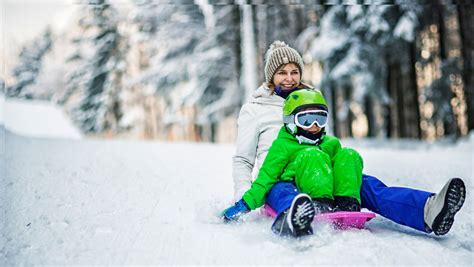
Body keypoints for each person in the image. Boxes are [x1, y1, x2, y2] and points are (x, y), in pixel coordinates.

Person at [223, 40, 466, 236]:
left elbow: (326, 142)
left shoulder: (311, 101)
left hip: (318, 169)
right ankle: (295, 215)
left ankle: (427, 210)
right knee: (285, 193)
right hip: (278, 177)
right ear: (270, 77)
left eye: (294, 71)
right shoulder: (255, 109)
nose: (289, 78)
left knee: (365, 184)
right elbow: (243, 160)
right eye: (282, 73)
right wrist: (244, 196)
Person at [224, 89, 364, 237]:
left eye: (320, 119)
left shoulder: (331, 143)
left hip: (327, 192)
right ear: (291, 121)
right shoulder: (282, 146)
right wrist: (245, 204)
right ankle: (295, 214)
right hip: (290, 186)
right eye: (306, 120)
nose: (315, 125)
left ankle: (347, 204)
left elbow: (342, 170)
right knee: (285, 191)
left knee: (349, 155)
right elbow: (266, 177)